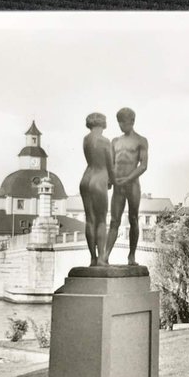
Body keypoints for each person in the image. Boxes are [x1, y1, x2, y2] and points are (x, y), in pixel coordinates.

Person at [104, 107, 148, 266]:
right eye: (119, 123)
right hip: (118, 186)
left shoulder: (141, 140)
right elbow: (111, 163)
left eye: (124, 122)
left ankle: (131, 256)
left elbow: (143, 165)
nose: (121, 125)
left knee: (133, 218)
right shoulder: (115, 141)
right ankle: (105, 256)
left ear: (132, 121)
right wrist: (109, 180)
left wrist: (128, 179)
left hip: (132, 185)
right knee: (114, 221)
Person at [79, 112, 114, 266]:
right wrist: (112, 180)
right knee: (101, 220)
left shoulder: (85, 139)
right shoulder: (105, 141)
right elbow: (110, 165)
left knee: (90, 220)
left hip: (86, 178)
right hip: (100, 178)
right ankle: (101, 258)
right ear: (102, 123)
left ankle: (92, 258)